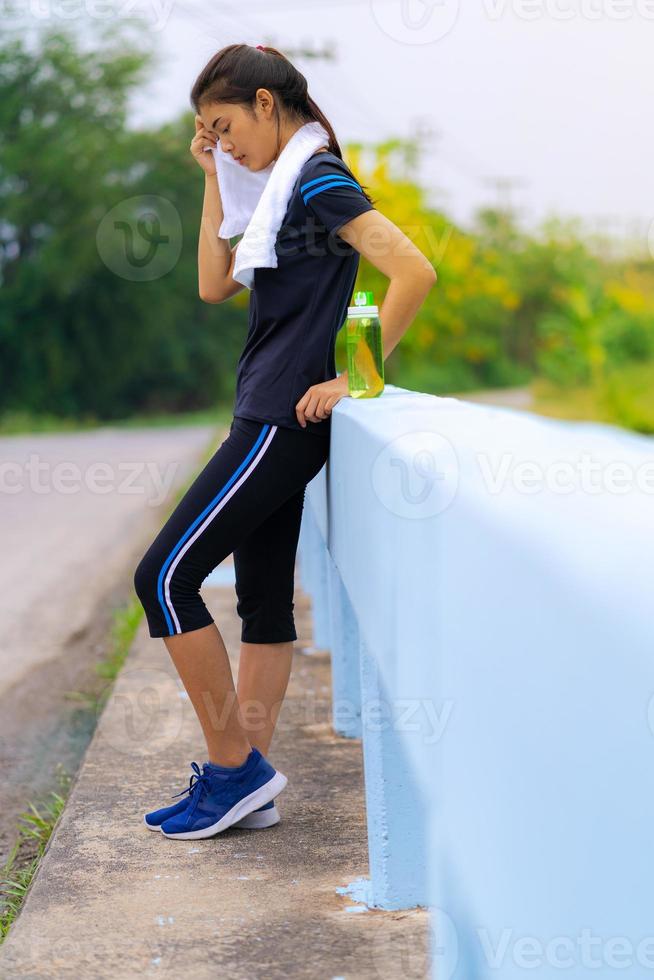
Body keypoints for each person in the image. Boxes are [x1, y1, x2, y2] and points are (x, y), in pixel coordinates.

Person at [134, 42, 437, 841]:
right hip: (262, 411)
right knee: (264, 606)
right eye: (207, 134)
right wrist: (211, 180)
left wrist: (354, 377)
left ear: (268, 104)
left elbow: (412, 271)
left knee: (163, 577)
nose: (221, 143)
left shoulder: (318, 179)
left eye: (225, 126)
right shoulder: (274, 195)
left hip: (280, 423)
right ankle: (249, 788)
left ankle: (235, 769)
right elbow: (210, 285)